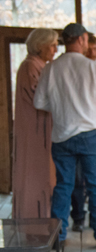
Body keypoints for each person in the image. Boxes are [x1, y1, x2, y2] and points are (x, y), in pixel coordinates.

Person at [34, 23, 96, 248]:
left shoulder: (51, 68)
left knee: (63, 186)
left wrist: (60, 108)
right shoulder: (93, 68)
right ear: (81, 39)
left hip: (62, 135)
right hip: (90, 135)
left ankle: (58, 238)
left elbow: (38, 102)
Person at [12, 28, 58, 220]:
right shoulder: (30, 66)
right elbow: (40, 97)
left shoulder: (40, 66)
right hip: (35, 133)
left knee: (44, 176)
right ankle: (34, 223)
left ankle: (44, 221)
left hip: (42, 131)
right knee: (35, 177)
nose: (55, 50)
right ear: (40, 46)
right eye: (52, 45)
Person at [71, 32, 96, 232]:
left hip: (95, 131)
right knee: (77, 180)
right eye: (90, 49)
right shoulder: (72, 72)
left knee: (95, 181)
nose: (93, 53)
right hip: (75, 130)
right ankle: (78, 216)